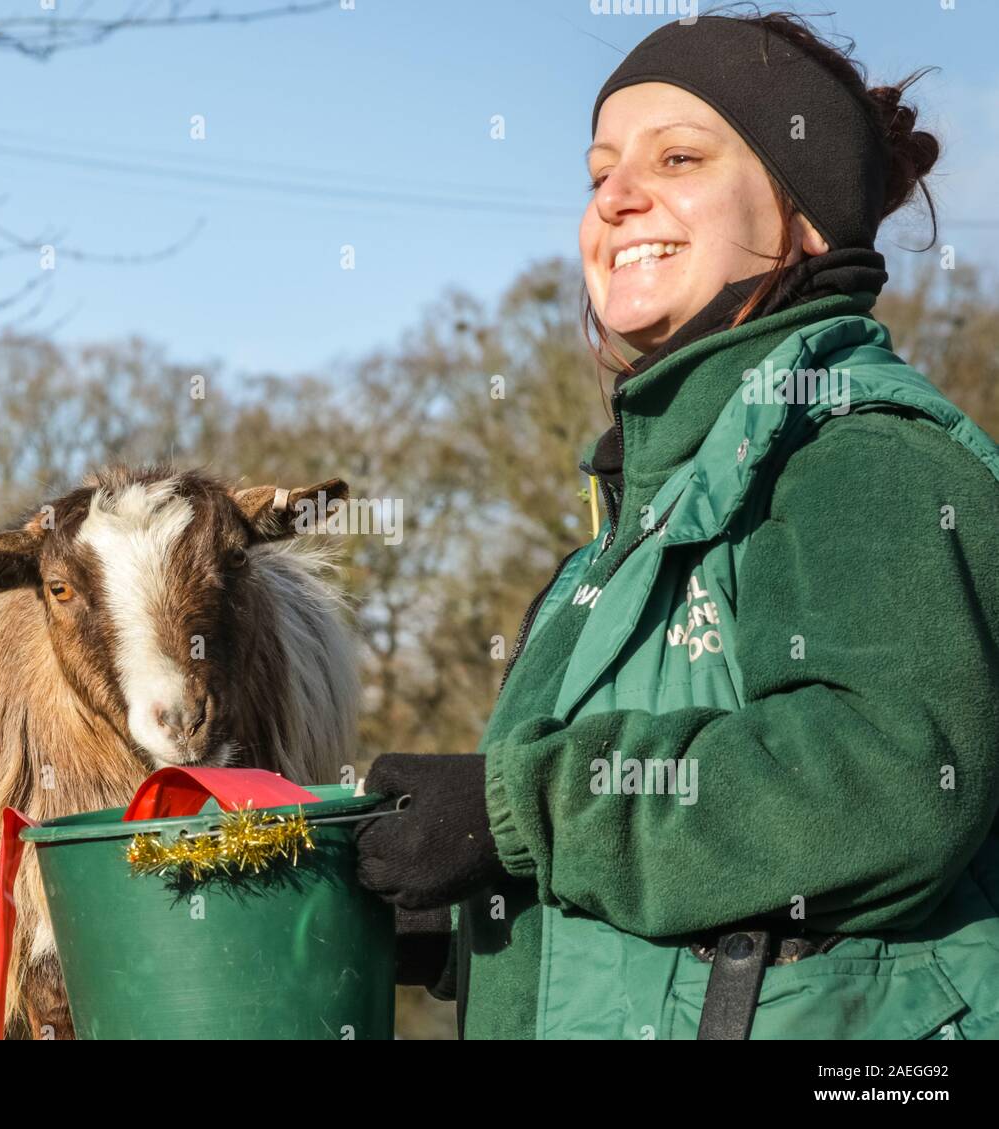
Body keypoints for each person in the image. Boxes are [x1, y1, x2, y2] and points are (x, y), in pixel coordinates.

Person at [355, 11, 999, 1040]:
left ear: (801, 220)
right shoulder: (601, 557)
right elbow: (635, 909)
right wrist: (439, 902)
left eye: (679, 157)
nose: (614, 196)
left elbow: (885, 782)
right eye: (598, 170)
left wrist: (517, 813)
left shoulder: (856, 456)